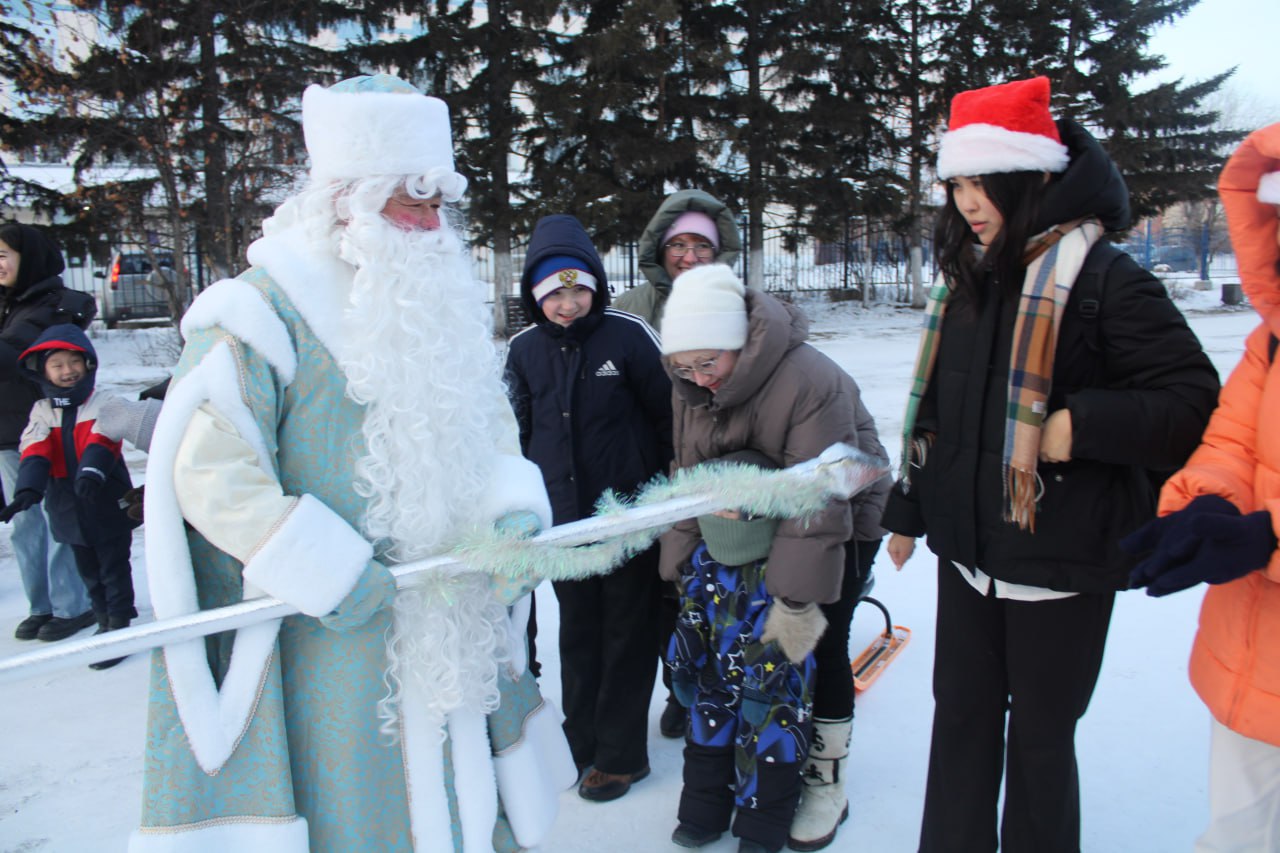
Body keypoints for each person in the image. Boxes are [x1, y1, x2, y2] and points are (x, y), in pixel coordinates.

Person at [131, 74, 575, 852]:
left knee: (468, 798)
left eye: (442, 202)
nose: (436, 224)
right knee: (362, 816)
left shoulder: (440, 314)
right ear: (352, 200)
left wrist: (508, 513)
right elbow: (208, 470)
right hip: (331, 639)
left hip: (448, 615)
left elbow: (492, 432)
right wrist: (322, 566)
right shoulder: (259, 313)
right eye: (415, 202)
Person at [879, 76, 1220, 853]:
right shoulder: (968, 273)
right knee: (959, 722)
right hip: (967, 555)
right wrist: (909, 509)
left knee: (1039, 741)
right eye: (956, 182)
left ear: (1028, 175)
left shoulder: (1105, 280)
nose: (967, 200)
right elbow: (938, 405)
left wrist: (1078, 425)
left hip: (1060, 561)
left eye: (980, 180)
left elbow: (1196, 401)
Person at [658, 263, 888, 853]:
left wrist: (795, 601)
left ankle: (822, 778)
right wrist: (682, 563)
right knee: (730, 657)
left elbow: (818, 502)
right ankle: (725, 784)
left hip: (840, 518)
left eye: (709, 363)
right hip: (745, 531)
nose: (698, 379)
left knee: (814, 645)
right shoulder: (693, 387)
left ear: (740, 343)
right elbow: (691, 477)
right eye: (683, 368)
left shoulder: (809, 380)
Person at [1124, 123, 1280, 852]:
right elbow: (1233, 442)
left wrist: (1267, 533)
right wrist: (1210, 504)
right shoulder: (1271, 341)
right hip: (1254, 648)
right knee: (1238, 833)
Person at [504, 214, 673, 802]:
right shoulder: (523, 351)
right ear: (536, 295)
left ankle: (622, 755)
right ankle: (580, 742)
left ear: (596, 286)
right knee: (578, 635)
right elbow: (514, 434)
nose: (568, 304)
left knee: (627, 634)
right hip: (563, 526)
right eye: (555, 293)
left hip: (628, 519)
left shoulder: (627, 337)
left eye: (578, 290)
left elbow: (669, 414)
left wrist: (665, 494)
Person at [616, 190, 742, 741]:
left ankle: (709, 685)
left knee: (713, 583)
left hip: (712, 461)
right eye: (678, 245)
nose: (689, 256)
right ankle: (677, 686)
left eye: (701, 246)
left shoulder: (737, 301)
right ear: (658, 248)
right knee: (664, 588)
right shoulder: (631, 306)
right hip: (648, 468)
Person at [666, 450, 819, 853]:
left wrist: (764, 681)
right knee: (705, 742)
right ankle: (701, 814)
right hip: (717, 675)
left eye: (731, 507)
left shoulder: (780, 567)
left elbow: (791, 630)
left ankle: (760, 829)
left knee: (771, 753)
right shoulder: (705, 558)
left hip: (776, 688)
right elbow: (693, 609)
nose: (721, 514)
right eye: (714, 504)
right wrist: (682, 659)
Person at [0, 324, 139, 669]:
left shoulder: (103, 401)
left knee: (113, 567)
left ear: (88, 364)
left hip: (104, 495)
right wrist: (28, 490)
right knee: (87, 570)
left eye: (73, 362)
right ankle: (102, 618)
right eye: (57, 364)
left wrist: (92, 473)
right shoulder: (42, 410)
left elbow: (103, 439)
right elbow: (35, 448)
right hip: (66, 502)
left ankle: (119, 627)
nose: (67, 371)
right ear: (42, 370)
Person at [0, 222, 96, 642]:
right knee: (24, 522)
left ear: (30, 258)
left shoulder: (57, 306)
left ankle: (72, 604)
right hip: (7, 432)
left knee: (58, 517)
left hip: (50, 429)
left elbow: (15, 353)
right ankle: (41, 606)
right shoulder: (8, 303)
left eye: (4, 255)